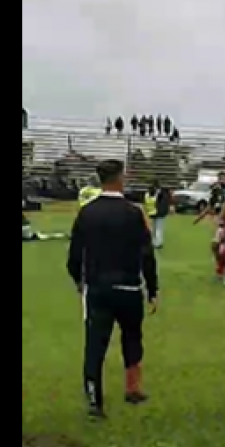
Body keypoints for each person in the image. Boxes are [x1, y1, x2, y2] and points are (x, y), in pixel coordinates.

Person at [66, 159, 160, 419]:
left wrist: (79, 280)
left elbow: (74, 254)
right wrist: (153, 288)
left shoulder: (87, 213)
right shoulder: (134, 213)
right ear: (121, 178)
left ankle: (94, 400)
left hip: (98, 287)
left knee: (95, 343)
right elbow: (147, 254)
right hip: (129, 287)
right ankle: (133, 388)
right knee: (132, 337)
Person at [194, 172, 225, 277]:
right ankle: (221, 265)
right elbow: (210, 206)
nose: (221, 180)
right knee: (215, 246)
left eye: (224, 178)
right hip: (218, 220)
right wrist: (200, 217)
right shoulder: (216, 191)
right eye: (220, 178)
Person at [144, 179, 172, 248]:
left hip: (155, 212)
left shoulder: (155, 192)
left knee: (156, 228)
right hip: (158, 212)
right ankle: (157, 242)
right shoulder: (161, 192)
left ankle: (157, 242)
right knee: (157, 228)